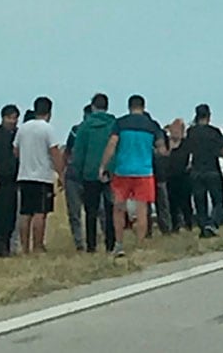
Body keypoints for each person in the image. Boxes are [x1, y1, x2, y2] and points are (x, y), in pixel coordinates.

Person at [99, 95, 167, 257]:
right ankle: (140, 245)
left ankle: (119, 244)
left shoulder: (120, 123)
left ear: (129, 107)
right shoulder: (152, 125)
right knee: (142, 210)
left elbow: (112, 145)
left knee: (119, 208)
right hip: (144, 172)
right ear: (143, 107)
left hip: (123, 171)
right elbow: (161, 150)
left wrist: (103, 166)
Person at [13, 97, 65, 253]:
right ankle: (37, 245)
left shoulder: (23, 128)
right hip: (42, 176)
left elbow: (15, 151)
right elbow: (54, 152)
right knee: (39, 213)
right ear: (49, 112)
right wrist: (60, 173)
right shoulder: (47, 129)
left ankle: (24, 247)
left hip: (24, 175)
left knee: (25, 213)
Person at [72, 93, 117, 253]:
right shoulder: (114, 124)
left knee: (91, 210)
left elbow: (79, 152)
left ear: (92, 107)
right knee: (111, 208)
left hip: (89, 172)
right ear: (107, 106)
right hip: (111, 172)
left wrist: (77, 170)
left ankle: (91, 245)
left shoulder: (85, 126)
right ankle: (111, 243)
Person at [187, 104, 223, 238]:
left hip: (196, 172)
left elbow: (188, 151)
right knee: (219, 200)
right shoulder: (214, 132)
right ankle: (213, 223)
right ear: (209, 116)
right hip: (212, 170)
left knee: (200, 201)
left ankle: (203, 227)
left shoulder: (191, 132)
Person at [63, 104, 92, 251]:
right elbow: (67, 152)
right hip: (77, 175)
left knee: (86, 211)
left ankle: (87, 240)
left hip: (81, 175)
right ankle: (80, 242)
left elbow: (67, 154)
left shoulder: (80, 131)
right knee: (77, 212)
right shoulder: (75, 131)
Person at [0, 105, 20, 257]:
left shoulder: (19, 135)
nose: (12, 121)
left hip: (14, 180)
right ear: (3, 118)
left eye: (15, 118)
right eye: (9, 118)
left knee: (10, 215)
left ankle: (6, 246)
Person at [166, 119, 193, 232]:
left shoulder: (187, 143)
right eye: (173, 130)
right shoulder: (167, 144)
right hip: (170, 177)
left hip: (184, 177)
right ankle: (175, 226)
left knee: (185, 202)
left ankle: (188, 224)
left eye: (178, 130)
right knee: (172, 203)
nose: (175, 132)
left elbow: (192, 157)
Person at [149, 122, 172, 236]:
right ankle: (166, 229)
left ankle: (148, 231)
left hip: (148, 173)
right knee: (163, 204)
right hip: (160, 173)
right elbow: (167, 153)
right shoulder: (160, 133)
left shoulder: (145, 135)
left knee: (146, 205)